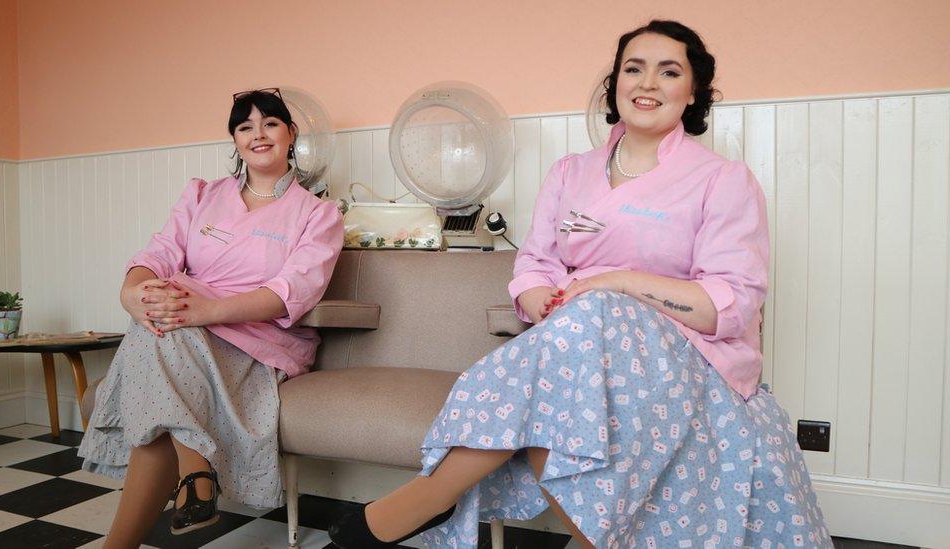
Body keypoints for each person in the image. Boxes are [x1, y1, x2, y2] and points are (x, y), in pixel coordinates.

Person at [328, 20, 830, 549]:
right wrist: (537, 297)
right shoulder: (570, 172)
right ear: (614, 83)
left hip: (685, 359)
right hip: (578, 349)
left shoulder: (722, 181)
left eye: (669, 71)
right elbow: (533, 266)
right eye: (633, 69)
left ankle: (425, 500)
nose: (648, 83)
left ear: (694, 92)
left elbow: (727, 307)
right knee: (576, 341)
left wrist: (616, 283)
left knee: (594, 315)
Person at [77, 88, 344, 548]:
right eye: (245, 127)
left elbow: (291, 292)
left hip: (257, 339)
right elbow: (159, 253)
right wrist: (132, 294)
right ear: (235, 140)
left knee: (165, 331)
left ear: (291, 133)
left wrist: (205, 310)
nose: (258, 135)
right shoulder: (203, 195)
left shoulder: (317, 214)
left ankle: (143, 522)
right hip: (183, 326)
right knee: (164, 326)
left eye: (270, 124)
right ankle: (195, 472)